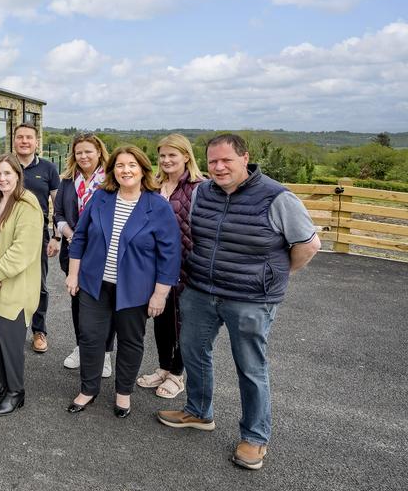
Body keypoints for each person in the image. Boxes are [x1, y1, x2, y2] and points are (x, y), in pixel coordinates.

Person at [156, 134, 321, 471]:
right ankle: (198, 412)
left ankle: (255, 437)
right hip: (202, 290)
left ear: (245, 158)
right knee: (193, 351)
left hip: (250, 299)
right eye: (213, 161)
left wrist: (273, 275)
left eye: (226, 160)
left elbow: (309, 244)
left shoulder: (277, 197)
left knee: (250, 367)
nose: (218, 167)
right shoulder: (202, 192)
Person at [65, 145, 181, 419]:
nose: (125, 170)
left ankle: (123, 393)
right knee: (90, 338)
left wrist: (160, 295)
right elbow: (80, 237)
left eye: (131, 165)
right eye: (119, 165)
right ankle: (88, 389)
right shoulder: (100, 198)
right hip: (94, 285)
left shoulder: (157, 206)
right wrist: (73, 274)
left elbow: (170, 254)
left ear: (142, 169)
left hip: (135, 290)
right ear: (112, 170)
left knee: (130, 340)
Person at [136, 134, 204, 399]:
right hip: (155, 266)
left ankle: (178, 374)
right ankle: (164, 367)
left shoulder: (199, 187)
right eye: (162, 156)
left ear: (186, 156)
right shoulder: (153, 185)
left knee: (183, 322)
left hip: (187, 265)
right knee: (161, 318)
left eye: (172, 155)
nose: (166, 160)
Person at [0, 154, 43, 416]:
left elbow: (23, 249)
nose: (2, 179)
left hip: (15, 285)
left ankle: (16, 392)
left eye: (7, 173)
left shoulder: (27, 204)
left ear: (18, 175)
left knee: (10, 339)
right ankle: (4, 381)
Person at [54, 132, 115, 376]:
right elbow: (57, 214)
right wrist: (71, 236)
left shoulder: (111, 181)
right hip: (73, 251)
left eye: (88, 151)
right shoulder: (68, 180)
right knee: (78, 302)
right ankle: (82, 347)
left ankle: (106, 354)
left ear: (99, 152)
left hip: (104, 254)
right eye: (79, 152)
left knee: (106, 305)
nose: (83, 156)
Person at [12, 123, 61, 354]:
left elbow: (57, 205)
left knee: (38, 284)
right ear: (14, 140)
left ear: (36, 141)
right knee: (10, 283)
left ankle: (39, 331)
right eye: (20, 137)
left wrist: (56, 237)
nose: (24, 141)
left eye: (28, 137)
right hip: (8, 234)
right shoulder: (5, 165)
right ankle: (13, 328)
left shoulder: (48, 168)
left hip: (37, 236)